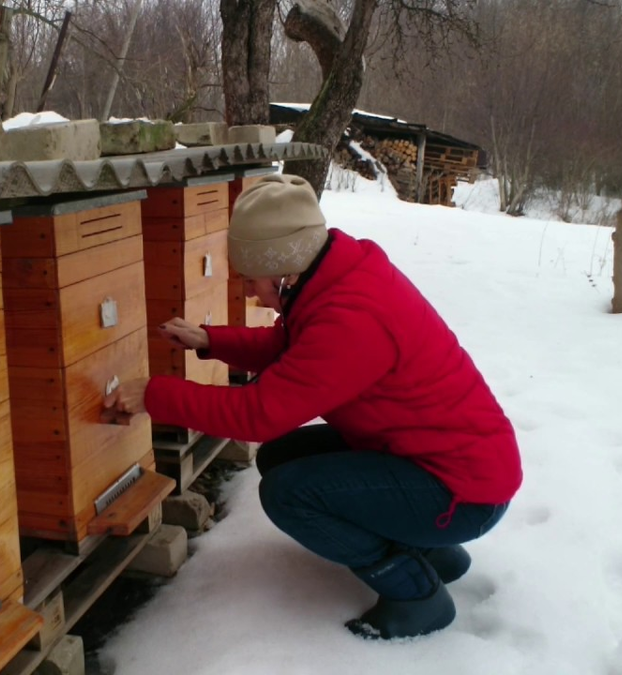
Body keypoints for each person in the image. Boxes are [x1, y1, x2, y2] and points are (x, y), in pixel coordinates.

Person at [102, 173, 522, 640]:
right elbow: (295, 344)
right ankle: (433, 550)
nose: (247, 292)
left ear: (283, 271)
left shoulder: (352, 317)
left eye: (250, 279)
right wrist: (210, 340)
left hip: (461, 491)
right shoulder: (339, 275)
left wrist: (154, 395)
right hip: (432, 456)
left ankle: (415, 594)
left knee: (287, 493)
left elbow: (258, 414)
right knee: (283, 457)